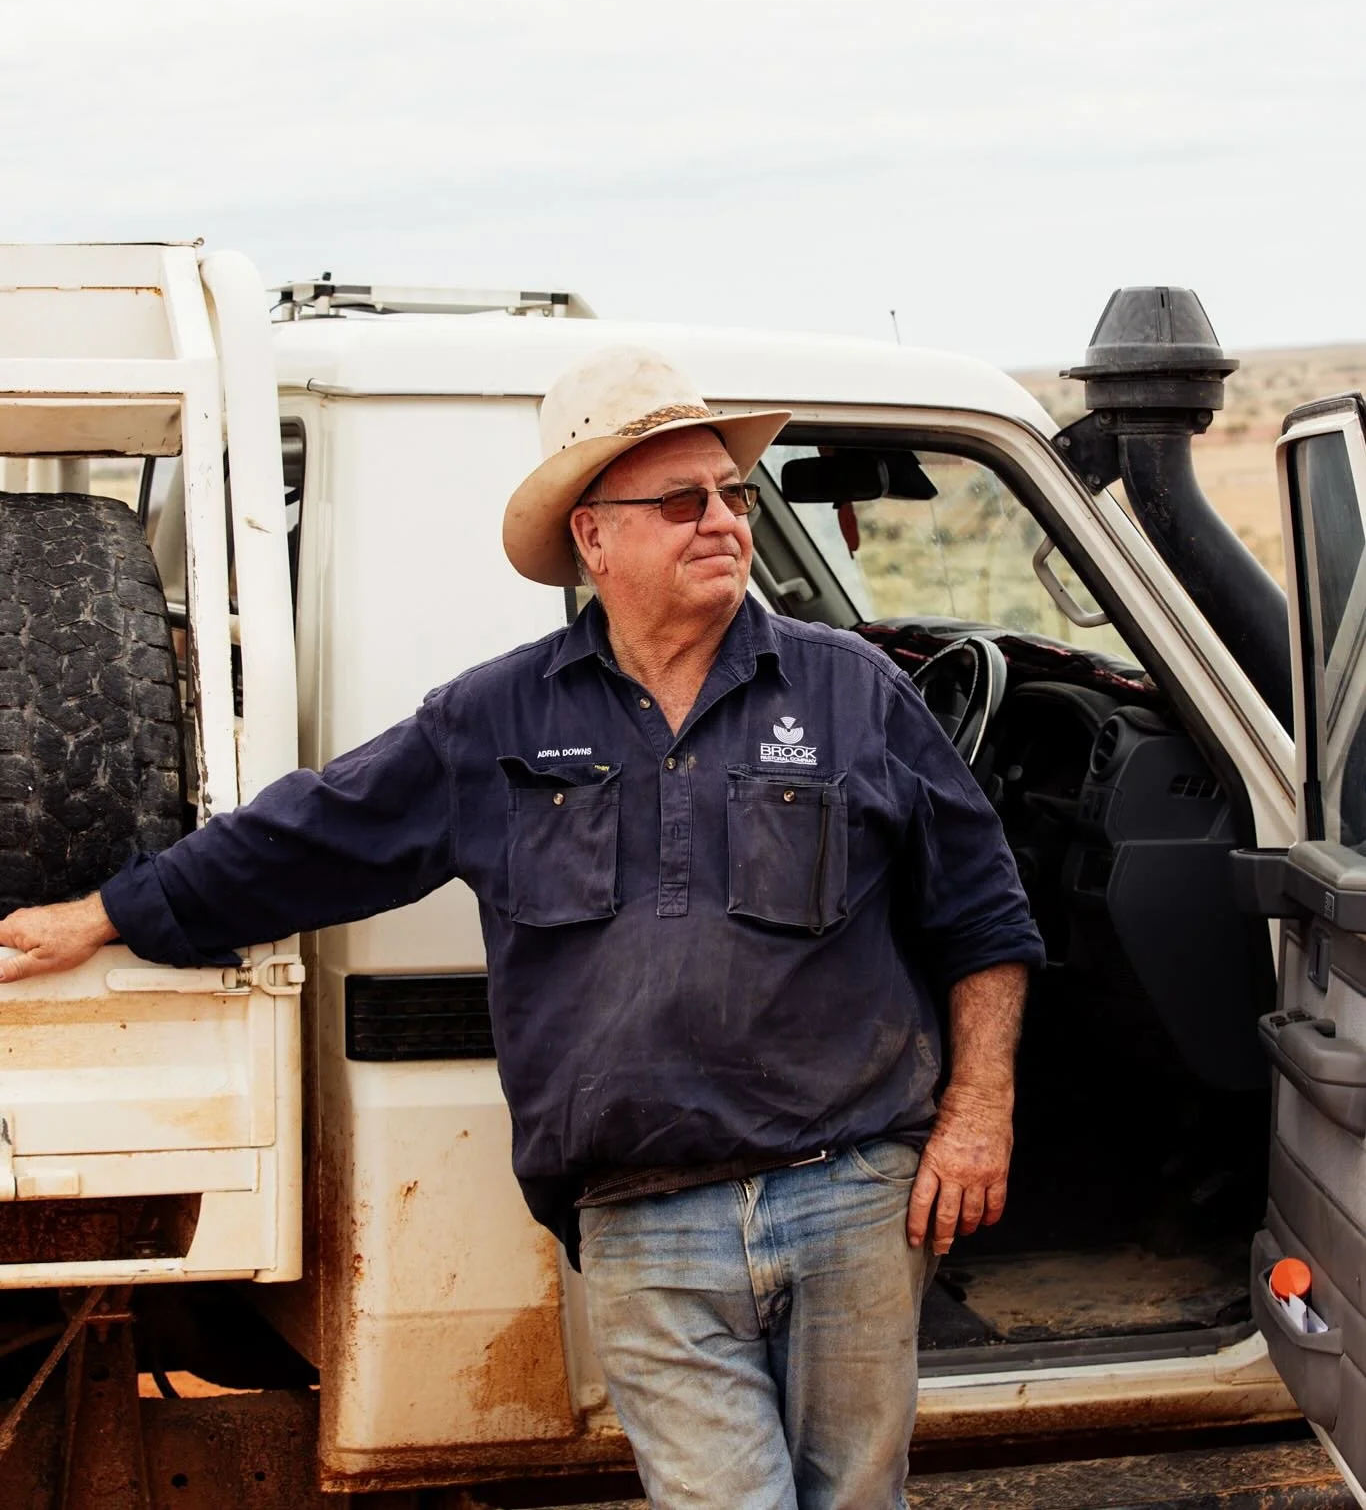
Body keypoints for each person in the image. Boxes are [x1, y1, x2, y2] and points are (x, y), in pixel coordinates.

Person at [0, 347, 1044, 1510]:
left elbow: (982, 912)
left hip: (850, 1187)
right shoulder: (496, 717)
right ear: (593, 538)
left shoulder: (853, 690)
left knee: (857, 1500)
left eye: (735, 496)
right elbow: (309, 840)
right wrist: (101, 915)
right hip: (645, 1221)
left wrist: (974, 1115)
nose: (722, 521)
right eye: (681, 500)